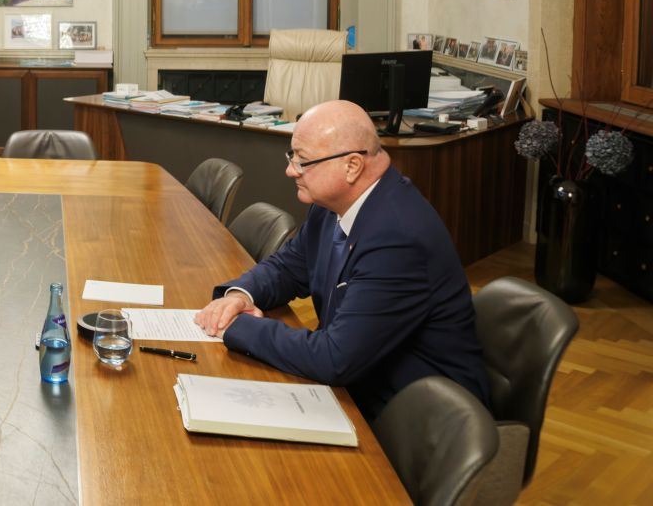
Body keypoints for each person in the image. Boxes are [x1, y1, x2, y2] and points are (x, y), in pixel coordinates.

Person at [192, 99, 490, 420]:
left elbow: (334, 359)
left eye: (302, 161)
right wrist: (239, 296)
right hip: (361, 384)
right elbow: (288, 267)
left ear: (352, 166)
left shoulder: (398, 239)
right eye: (292, 156)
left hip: (420, 420)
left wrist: (240, 328)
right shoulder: (330, 206)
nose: (290, 169)